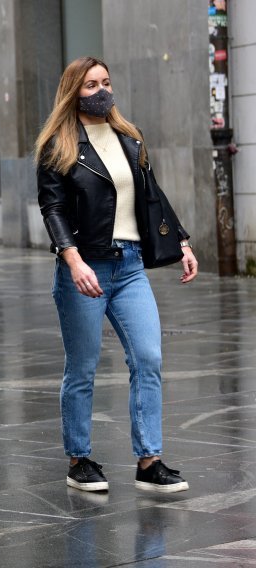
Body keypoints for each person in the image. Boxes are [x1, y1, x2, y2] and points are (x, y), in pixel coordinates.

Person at [35, 56, 199, 494]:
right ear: (74, 92)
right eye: (91, 85)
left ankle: (150, 461)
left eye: (105, 82)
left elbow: (151, 195)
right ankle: (79, 459)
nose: (101, 90)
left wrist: (180, 240)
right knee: (83, 367)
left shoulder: (129, 137)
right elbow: (51, 208)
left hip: (129, 267)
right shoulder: (59, 145)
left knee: (148, 357)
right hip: (84, 266)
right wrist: (72, 260)